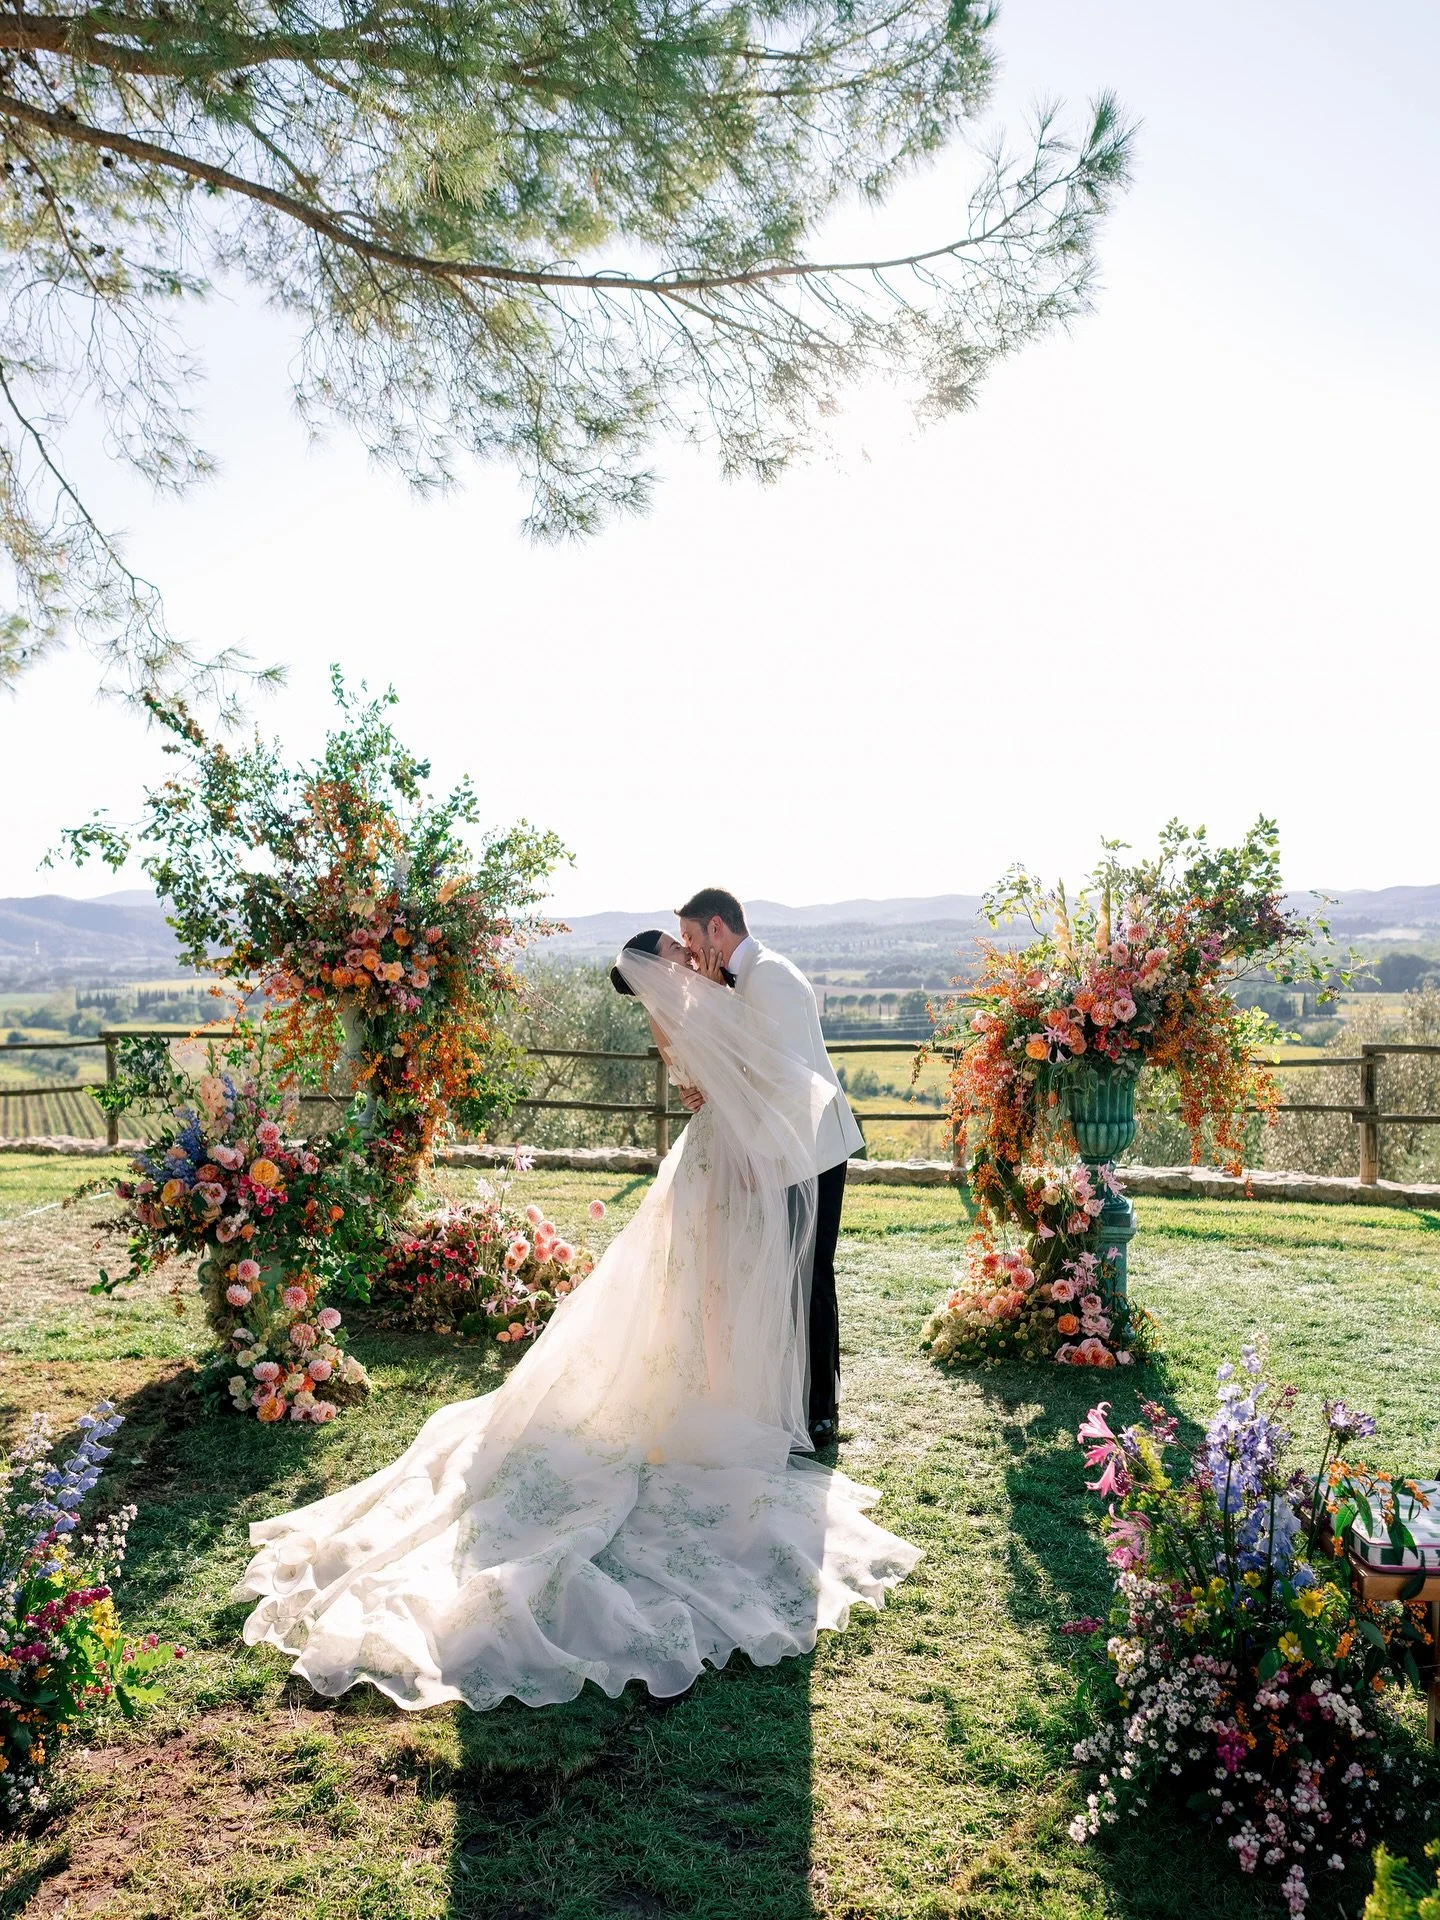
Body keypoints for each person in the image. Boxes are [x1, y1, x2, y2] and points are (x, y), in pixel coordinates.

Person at [236, 939, 917, 1715]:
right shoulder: (694, 1006)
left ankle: (724, 1391)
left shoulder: (692, 1007)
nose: (688, 950)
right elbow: (737, 1076)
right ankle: (716, 1398)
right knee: (702, 1291)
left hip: (713, 1162)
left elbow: (713, 1078)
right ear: (660, 967)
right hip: (720, 1163)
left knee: (704, 1291)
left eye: (687, 941)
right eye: (674, 948)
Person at [675, 888, 863, 1447]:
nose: (687, 951)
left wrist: (760, 1150)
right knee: (787, 1279)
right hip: (783, 1151)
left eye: (689, 938)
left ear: (715, 928)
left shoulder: (770, 975)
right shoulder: (743, 979)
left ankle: (820, 1411)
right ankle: (794, 1397)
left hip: (808, 1150)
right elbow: (747, 1065)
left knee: (810, 1279)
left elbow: (789, 1078)